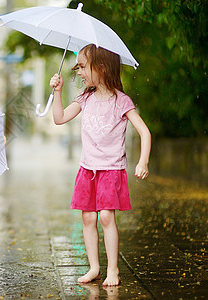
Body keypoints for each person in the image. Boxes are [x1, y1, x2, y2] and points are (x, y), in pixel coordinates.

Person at [49, 44, 151, 286]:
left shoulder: (121, 101)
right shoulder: (85, 98)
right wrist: (57, 92)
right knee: (87, 218)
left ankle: (113, 269)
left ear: (102, 68)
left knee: (106, 216)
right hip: (88, 169)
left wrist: (143, 161)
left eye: (83, 67)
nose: (79, 72)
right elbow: (59, 118)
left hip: (111, 170)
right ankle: (94, 267)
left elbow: (145, 132)